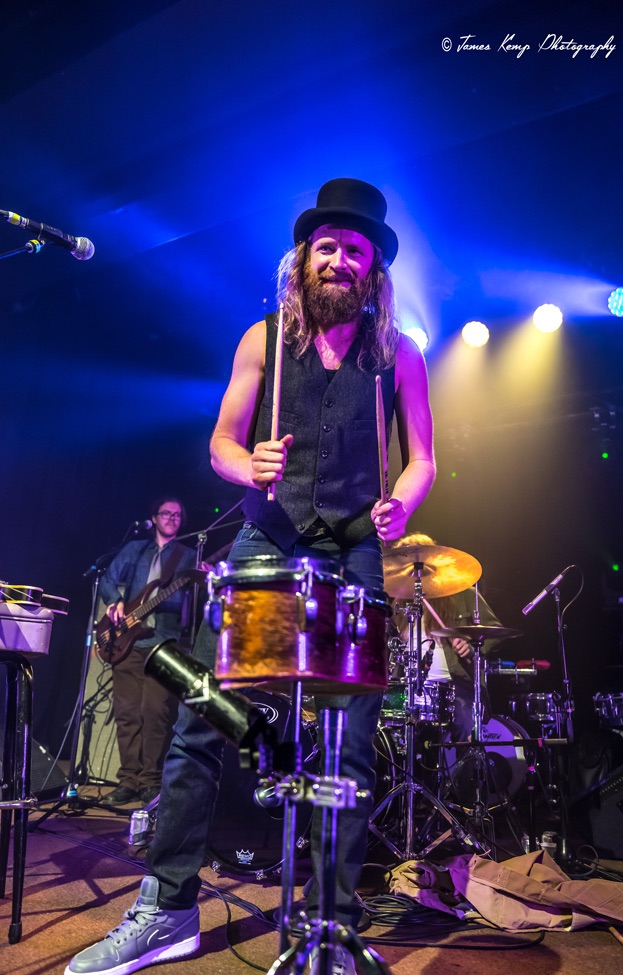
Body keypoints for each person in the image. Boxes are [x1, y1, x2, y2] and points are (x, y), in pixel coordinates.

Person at [66, 178, 435, 975]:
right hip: (266, 540)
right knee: (205, 720)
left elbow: (424, 460)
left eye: (355, 251)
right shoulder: (261, 339)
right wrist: (250, 464)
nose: (339, 261)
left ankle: (332, 928)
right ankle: (167, 909)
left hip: (353, 552)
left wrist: (401, 501)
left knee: (348, 746)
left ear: (373, 269)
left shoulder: (398, 354)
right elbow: (221, 443)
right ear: (303, 259)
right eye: (327, 247)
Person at [98, 497, 196, 806]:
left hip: (164, 643)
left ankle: (150, 782)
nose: (172, 518)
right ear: (154, 518)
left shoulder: (188, 556)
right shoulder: (135, 549)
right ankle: (127, 780)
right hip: (127, 642)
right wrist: (114, 601)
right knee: (127, 714)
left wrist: (202, 580)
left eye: (177, 515)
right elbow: (107, 579)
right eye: (166, 513)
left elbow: (193, 601)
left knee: (155, 713)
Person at [390, 532, 504, 745]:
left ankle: (466, 765)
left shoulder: (464, 594)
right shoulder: (399, 606)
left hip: (454, 689)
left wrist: (472, 644)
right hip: (410, 691)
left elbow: (495, 631)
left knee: (463, 726)